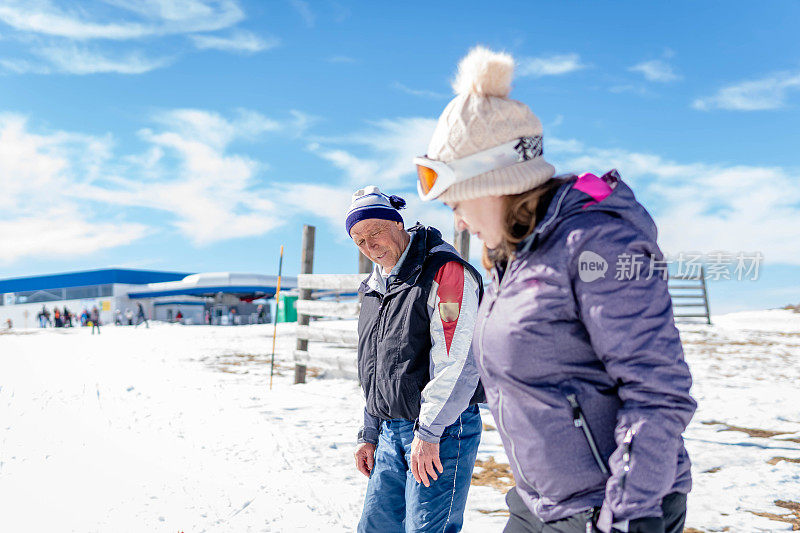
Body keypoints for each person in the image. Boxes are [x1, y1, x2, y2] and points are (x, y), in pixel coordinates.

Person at [415, 47, 696, 533]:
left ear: (494, 182)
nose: (456, 219)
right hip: (538, 502)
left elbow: (658, 390)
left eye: (456, 200)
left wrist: (627, 515)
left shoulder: (597, 241)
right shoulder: (514, 259)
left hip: (610, 508)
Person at [347, 186, 485, 533]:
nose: (370, 246)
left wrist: (429, 432)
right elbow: (376, 366)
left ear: (398, 223)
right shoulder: (374, 286)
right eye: (359, 241)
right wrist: (369, 431)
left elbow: (458, 362)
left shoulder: (445, 271)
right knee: (375, 527)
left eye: (375, 232)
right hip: (391, 430)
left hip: (441, 430)